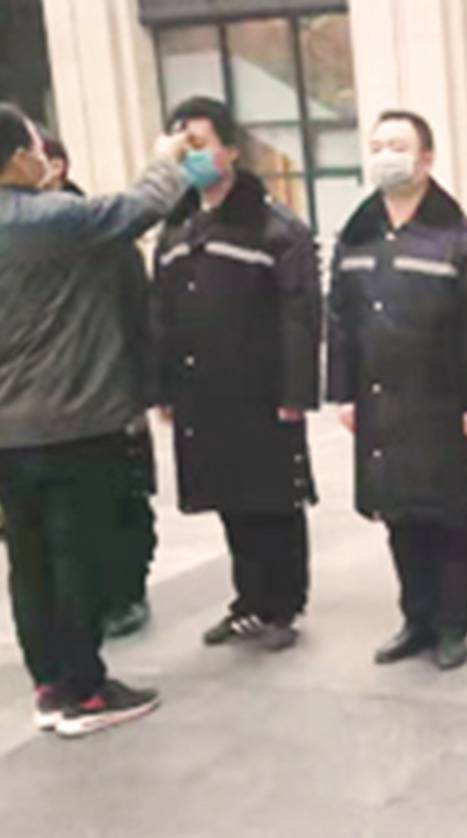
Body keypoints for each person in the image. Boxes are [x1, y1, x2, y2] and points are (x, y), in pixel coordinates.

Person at [0, 102, 190, 737]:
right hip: (71, 423)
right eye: (34, 147)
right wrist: (165, 158)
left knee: (28, 563)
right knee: (75, 556)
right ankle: (85, 691)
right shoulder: (47, 218)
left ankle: (50, 685)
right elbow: (143, 205)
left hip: (8, 435)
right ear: (18, 158)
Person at [151, 97, 321, 653]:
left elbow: (300, 314)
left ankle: (282, 605)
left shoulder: (275, 227)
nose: (191, 156)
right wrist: (164, 386)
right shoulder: (176, 228)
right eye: (182, 147)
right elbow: (161, 312)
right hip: (203, 391)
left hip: (262, 391)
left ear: (231, 150)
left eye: (200, 144)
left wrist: (296, 390)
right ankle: (249, 601)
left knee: (273, 501)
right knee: (230, 499)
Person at [328, 110, 467, 670]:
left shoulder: (460, 239)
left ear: (427, 159)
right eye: (377, 145)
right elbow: (339, 319)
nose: (386, 156)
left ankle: (452, 625)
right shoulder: (356, 236)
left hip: (441, 402)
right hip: (379, 400)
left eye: (398, 146)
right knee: (398, 514)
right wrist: (344, 392)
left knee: (447, 516)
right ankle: (416, 619)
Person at [41, 134, 158, 640]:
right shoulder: (22, 232)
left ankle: (124, 594)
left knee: (121, 500)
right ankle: (80, 604)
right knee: (62, 519)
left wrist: (142, 390)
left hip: (107, 391)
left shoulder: (99, 228)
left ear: (57, 166)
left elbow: (137, 312)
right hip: (46, 404)